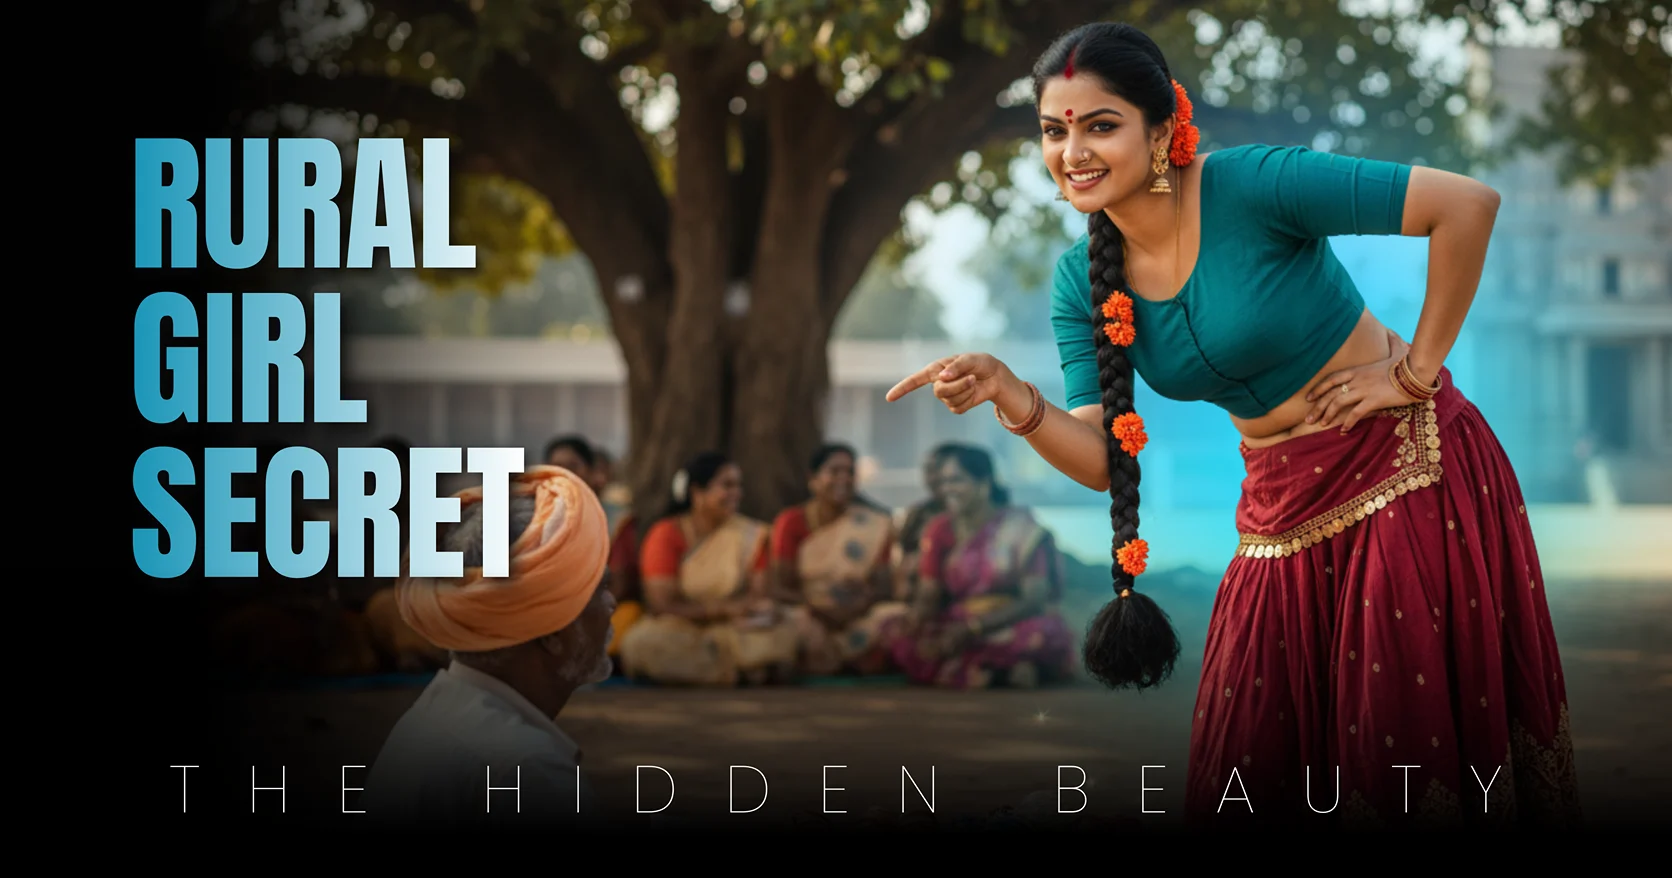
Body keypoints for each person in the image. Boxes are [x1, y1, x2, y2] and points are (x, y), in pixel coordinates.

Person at [885, 22, 1579, 829]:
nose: (1072, 151)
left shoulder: (1253, 184)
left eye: (1100, 125)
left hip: (1402, 473)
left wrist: (1412, 373)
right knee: (1248, 757)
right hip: (1276, 515)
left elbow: (1464, 205)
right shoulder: (1082, 282)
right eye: (1053, 130)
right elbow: (1104, 460)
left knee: (1395, 749)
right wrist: (1013, 395)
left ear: (1162, 130)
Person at [359, 465, 615, 825]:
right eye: (598, 588)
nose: (611, 605)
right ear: (553, 633)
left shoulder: (435, 714)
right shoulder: (529, 771)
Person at [881, 445, 1076, 689]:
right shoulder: (939, 529)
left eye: (956, 480)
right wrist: (917, 621)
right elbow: (929, 591)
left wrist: (974, 628)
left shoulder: (1019, 528)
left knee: (1041, 634)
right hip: (958, 621)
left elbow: (1034, 599)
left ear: (984, 484)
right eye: (943, 482)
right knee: (900, 633)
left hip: (1010, 621)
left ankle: (982, 670)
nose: (947, 489)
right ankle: (1003, 672)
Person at [616, 452, 800, 685]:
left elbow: (759, 595)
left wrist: (756, 612)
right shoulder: (666, 534)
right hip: (680, 626)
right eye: (727, 485)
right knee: (642, 643)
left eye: (738, 485)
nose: (737, 493)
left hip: (736, 628)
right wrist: (722, 609)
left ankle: (719, 670)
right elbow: (662, 604)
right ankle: (740, 671)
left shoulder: (750, 535)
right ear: (697, 492)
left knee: (786, 630)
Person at [770, 443, 911, 675]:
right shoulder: (791, 522)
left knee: (896, 615)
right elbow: (779, 587)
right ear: (813, 479)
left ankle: (844, 659)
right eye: (834, 471)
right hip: (811, 613)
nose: (844, 479)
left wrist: (862, 601)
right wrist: (820, 609)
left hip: (858, 614)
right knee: (791, 622)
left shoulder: (873, 525)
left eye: (850, 472)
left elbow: (884, 588)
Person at [892, 442, 965, 603]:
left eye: (937, 470)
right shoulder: (918, 514)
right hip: (921, 593)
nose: (932, 478)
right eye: (928, 471)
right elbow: (905, 556)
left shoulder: (975, 515)